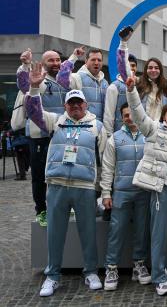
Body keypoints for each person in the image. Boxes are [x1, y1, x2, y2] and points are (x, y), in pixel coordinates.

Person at [25, 63, 107, 297]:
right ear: (65, 106)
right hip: (57, 185)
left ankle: (91, 271)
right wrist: (33, 88)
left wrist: (103, 189)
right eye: (71, 103)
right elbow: (34, 113)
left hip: (84, 187)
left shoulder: (96, 126)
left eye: (78, 103)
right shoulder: (56, 121)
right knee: (55, 234)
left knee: (88, 232)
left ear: (86, 104)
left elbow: (104, 160)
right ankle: (52, 276)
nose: (75, 107)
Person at [124, 76, 167, 296]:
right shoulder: (153, 130)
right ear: (163, 117)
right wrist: (132, 90)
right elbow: (137, 112)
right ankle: (159, 276)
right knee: (159, 232)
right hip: (161, 187)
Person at [101, 103, 151, 291]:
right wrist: (106, 192)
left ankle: (139, 264)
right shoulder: (115, 138)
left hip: (144, 191)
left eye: (132, 114)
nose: (129, 118)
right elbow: (107, 167)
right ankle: (111, 267)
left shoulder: (148, 135)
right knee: (117, 230)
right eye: (125, 115)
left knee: (142, 229)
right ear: (121, 117)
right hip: (122, 191)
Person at [17, 48, 69, 226]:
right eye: (51, 60)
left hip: (61, 135)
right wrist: (25, 65)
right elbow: (25, 85)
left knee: (63, 172)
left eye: (57, 60)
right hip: (40, 136)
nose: (55, 63)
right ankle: (41, 210)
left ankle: (61, 207)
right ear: (44, 62)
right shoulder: (40, 78)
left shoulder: (64, 80)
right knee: (40, 175)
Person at [58, 48, 109, 122]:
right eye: (93, 59)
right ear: (86, 61)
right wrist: (74, 57)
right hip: (81, 127)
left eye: (99, 60)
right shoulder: (76, 77)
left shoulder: (105, 83)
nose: (96, 63)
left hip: (99, 128)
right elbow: (61, 78)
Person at [104, 52, 138, 136]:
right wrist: (109, 136)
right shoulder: (114, 87)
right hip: (119, 135)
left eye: (133, 65)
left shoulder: (140, 85)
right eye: (128, 66)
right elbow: (109, 115)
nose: (131, 68)